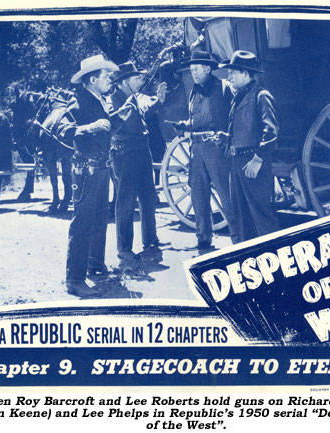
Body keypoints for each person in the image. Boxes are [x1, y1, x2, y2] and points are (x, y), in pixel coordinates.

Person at [56, 54, 132, 297]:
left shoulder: (97, 100)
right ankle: (74, 279)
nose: (110, 79)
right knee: (82, 223)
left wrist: (120, 118)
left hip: (100, 168)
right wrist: (91, 126)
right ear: (91, 80)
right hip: (86, 170)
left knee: (100, 219)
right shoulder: (78, 102)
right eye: (105, 76)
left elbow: (106, 130)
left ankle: (95, 265)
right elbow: (63, 131)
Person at [174, 51, 239, 250]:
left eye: (196, 69)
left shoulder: (224, 88)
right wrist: (185, 125)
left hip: (216, 148)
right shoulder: (194, 90)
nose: (193, 73)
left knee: (226, 195)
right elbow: (197, 119)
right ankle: (203, 239)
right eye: (191, 70)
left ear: (208, 69)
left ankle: (239, 239)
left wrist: (228, 142)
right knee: (198, 195)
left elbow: (235, 117)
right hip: (196, 148)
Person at [108, 62, 167, 268]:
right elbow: (109, 122)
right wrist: (120, 114)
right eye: (136, 78)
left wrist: (159, 102)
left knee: (148, 198)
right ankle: (124, 249)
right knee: (125, 203)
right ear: (124, 82)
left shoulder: (132, 96)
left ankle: (150, 241)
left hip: (142, 150)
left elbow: (144, 111)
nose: (140, 81)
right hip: (125, 153)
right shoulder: (113, 99)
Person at [219, 50, 280, 242]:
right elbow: (245, 128)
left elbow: (270, 131)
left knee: (262, 215)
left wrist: (258, 158)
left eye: (233, 72)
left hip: (253, 163)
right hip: (237, 162)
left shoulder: (261, 95)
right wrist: (226, 137)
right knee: (241, 217)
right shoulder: (239, 96)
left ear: (246, 73)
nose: (229, 77)